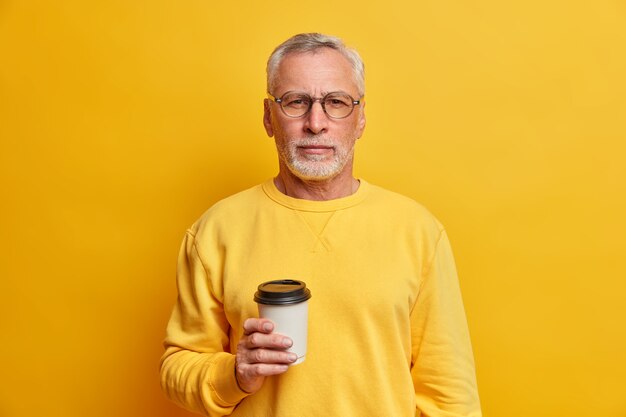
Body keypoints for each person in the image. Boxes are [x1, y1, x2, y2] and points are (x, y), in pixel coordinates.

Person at [160, 33, 482, 417]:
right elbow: (177, 365)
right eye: (296, 102)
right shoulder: (216, 231)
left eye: (336, 103)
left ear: (360, 117)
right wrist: (235, 373)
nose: (316, 123)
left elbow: (449, 394)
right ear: (268, 117)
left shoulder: (417, 231)